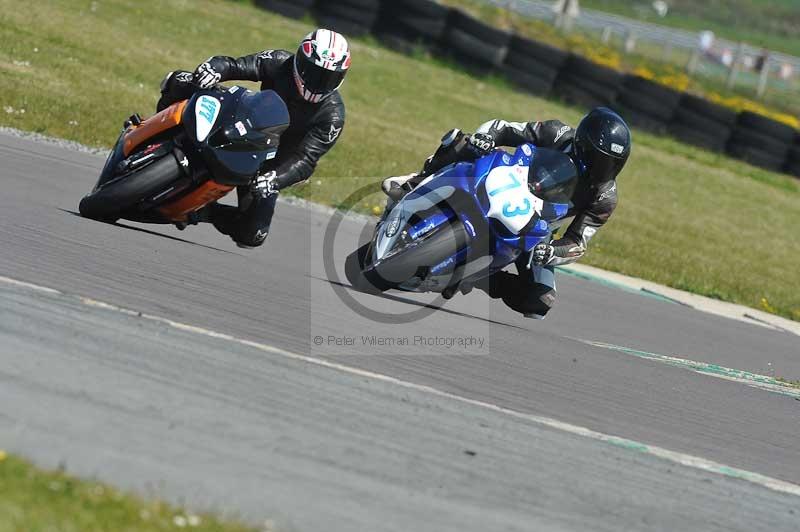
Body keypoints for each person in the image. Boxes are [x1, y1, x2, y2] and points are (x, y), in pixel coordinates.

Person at [381, 107, 631, 319]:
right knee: (464, 142)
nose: (605, 170)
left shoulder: (604, 197)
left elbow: (578, 243)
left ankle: (479, 277)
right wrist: (485, 137)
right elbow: (502, 127)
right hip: (509, 177)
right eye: (600, 160)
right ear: (582, 144)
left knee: (540, 301)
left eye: (613, 164)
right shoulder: (557, 133)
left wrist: (552, 252)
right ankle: (417, 180)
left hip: (537, 225)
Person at [156, 29, 350, 248]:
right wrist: (215, 69)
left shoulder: (332, 116)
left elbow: (306, 160)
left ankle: (198, 212)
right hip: (242, 122)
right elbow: (236, 65)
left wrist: (274, 179)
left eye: (328, 77)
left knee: (253, 235)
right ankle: (154, 132)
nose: (318, 82)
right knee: (185, 80)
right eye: (313, 72)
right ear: (300, 60)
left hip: (265, 164)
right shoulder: (279, 62)